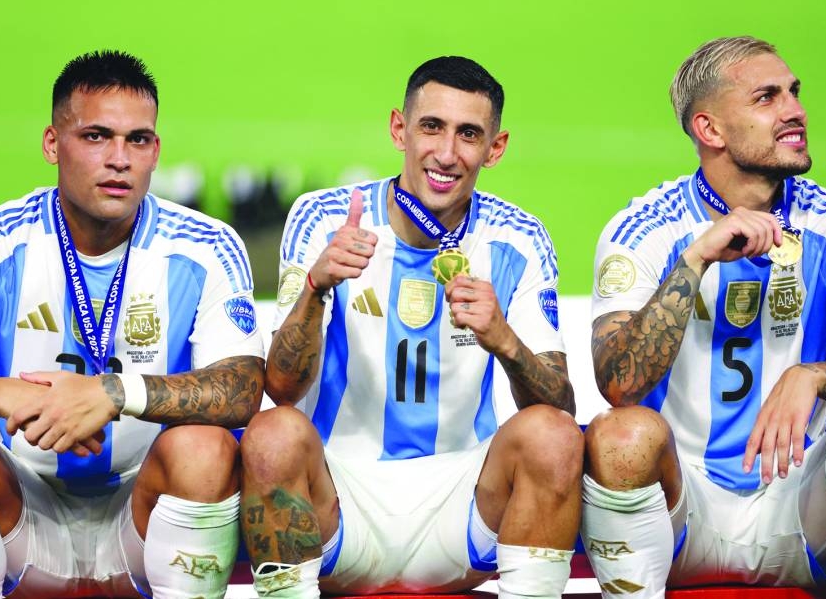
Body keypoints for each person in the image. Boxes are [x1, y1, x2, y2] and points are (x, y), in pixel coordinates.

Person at [0, 51, 264, 598]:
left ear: (157, 151)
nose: (120, 159)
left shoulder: (205, 247)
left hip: (143, 515)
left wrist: (111, 393)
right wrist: (9, 396)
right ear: (53, 143)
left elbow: (243, 389)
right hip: (23, 512)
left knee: (204, 448)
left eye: (139, 140)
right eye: (97, 137)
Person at [239, 56, 582, 598]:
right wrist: (314, 290)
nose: (447, 154)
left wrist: (507, 342)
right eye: (431, 127)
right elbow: (280, 388)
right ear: (399, 128)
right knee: (271, 434)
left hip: (462, 498)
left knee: (554, 437)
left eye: (469, 134)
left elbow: (560, 409)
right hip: (339, 493)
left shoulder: (517, 238)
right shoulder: (325, 218)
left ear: (496, 147)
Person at [581, 36, 826, 596]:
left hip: (801, 503)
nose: (795, 111)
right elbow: (618, 384)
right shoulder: (647, 229)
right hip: (681, 506)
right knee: (620, 435)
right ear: (710, 130)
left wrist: (813, 375)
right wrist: (696, 259)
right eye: (767, 98)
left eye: (794, 93)